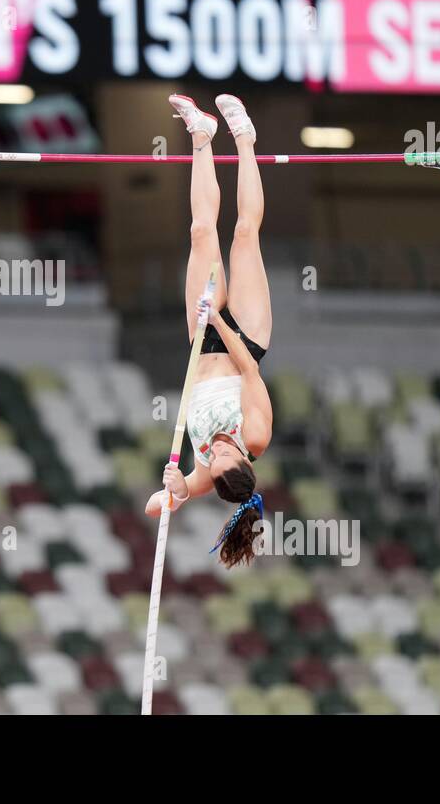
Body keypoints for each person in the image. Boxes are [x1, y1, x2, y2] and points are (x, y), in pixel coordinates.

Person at [145, 94, 274, 569]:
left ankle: (201, 135)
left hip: (201, 345)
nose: (215, 448)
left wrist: (175, 492)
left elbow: (154, 505)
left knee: (202, 232)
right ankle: (244, 138)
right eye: (224, 451)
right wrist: (217, 318)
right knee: (243, 233)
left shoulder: (206, 472)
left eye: (211, 456)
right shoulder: (256, 435)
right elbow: (248, 371)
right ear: (242, 457)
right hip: (243, 337)